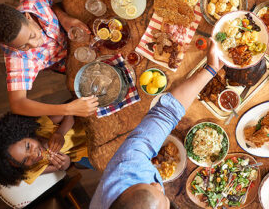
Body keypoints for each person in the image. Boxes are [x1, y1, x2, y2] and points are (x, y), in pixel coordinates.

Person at [89, 40, 223, 209]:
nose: (158, 185)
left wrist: (211, 69)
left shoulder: (128, 164)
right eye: (162, 198)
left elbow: (166, 113)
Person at [0, 0, 99, 117]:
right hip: (70, 66)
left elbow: (53, 4)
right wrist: (68, 109)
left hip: (80, 35)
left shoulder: (35, 1)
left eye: (31, 36)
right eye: (23, 46)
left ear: (28, 17)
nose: (34, 44)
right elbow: (17, 104)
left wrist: (63, 17)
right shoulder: (17, 58)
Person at [0, 113, 89, 186]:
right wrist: (65, 162)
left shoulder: (41, 126)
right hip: (86, 151)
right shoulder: (31, 171)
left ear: (24, 133)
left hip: (87, 124)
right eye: (25, 160)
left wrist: (60, 133)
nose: (34, 154)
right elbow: (63, 167)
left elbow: (68, 115)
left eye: (28, 146)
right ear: (18, 168)